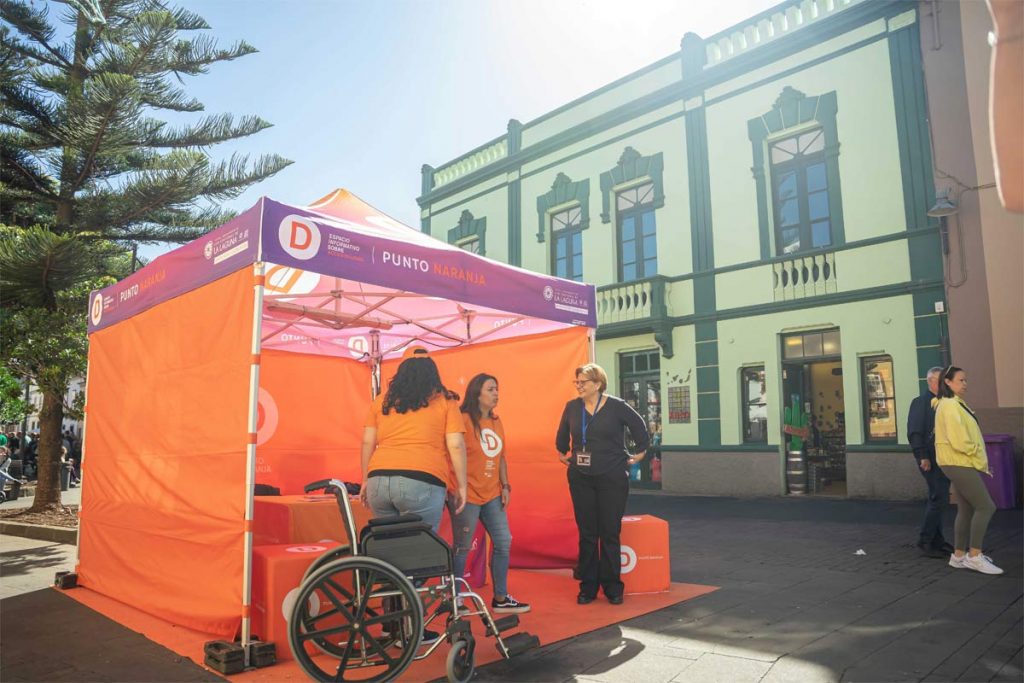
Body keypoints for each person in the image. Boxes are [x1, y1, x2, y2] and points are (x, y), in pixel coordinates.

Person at [556, 363, 649, 605]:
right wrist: (563, 453)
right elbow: (561, 437)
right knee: (587, 533)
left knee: (609, 532)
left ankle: (612, 587)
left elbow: (640, 430)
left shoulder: (617, 406)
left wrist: (639, 453)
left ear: (597, 384)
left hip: (612, 477)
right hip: (581, 478)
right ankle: (588, 587)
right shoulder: (572, 407)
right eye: (576, 382)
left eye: (583, 382)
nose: (578, 385)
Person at [360, 345, 468, 533]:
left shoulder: (381, 401)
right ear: (432, 372)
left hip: (378, 479)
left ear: (401, 371)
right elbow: (456, 445)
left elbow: (368, 442)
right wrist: (462, 486)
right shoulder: (445, 400)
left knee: (389, 547)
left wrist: (365, 480)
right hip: (422, 478)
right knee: (421, 548)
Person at [451, 373, 530, 614]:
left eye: (497, 389)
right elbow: (453, 453)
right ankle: (455, 599)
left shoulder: (496, 421)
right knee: (462, 547)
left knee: (504, 542)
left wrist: (505, 486)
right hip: (467, 495)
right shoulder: (462, 420)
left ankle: (501, 597)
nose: (496, 393)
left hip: (493, 495)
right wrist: (457, 488)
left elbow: (501, 458)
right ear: (477, 393)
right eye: (491, 389)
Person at [935, 366, 1002, 575]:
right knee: (986, 506)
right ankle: (974, 556)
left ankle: (958, 556)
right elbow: (959, 440)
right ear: (947, 381)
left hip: (957, 461)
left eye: (965, 380)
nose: (965, 384)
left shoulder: (953, 404)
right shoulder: (950, 406)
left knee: (966, 509)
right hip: (959, 462)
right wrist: (976, 453)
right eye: (961, 380)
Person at [907, 366, 953, 558]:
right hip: (930, 459)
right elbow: (915, 432)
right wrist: (922, 456)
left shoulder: (945, 403)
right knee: (938, 498)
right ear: (932, 381)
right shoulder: (921, 403)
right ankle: (925, 541)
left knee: (939, 498)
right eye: (942, 380)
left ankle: (937, 540)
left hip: (945, 457)